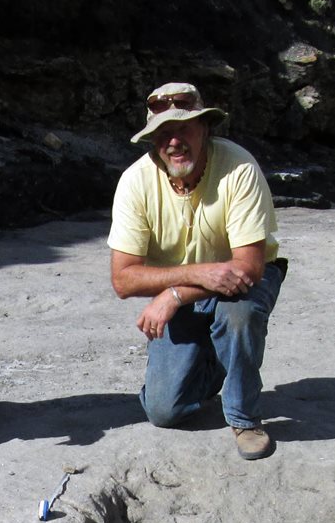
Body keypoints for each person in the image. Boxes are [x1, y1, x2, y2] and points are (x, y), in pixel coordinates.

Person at [108, 82, 287, 460]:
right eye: (163, 133)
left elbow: (248, 267)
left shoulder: (238, 168)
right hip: (192, 286)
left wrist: (173, 293)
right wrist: (198, 276)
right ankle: (217, 361)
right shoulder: (135, 182)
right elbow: (123, 279)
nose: (174, 141)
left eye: (183, 129)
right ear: (152, 140)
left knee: (238, 316)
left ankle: (244, 418)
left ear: (204, 129)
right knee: (164, 411)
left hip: (244, 284)